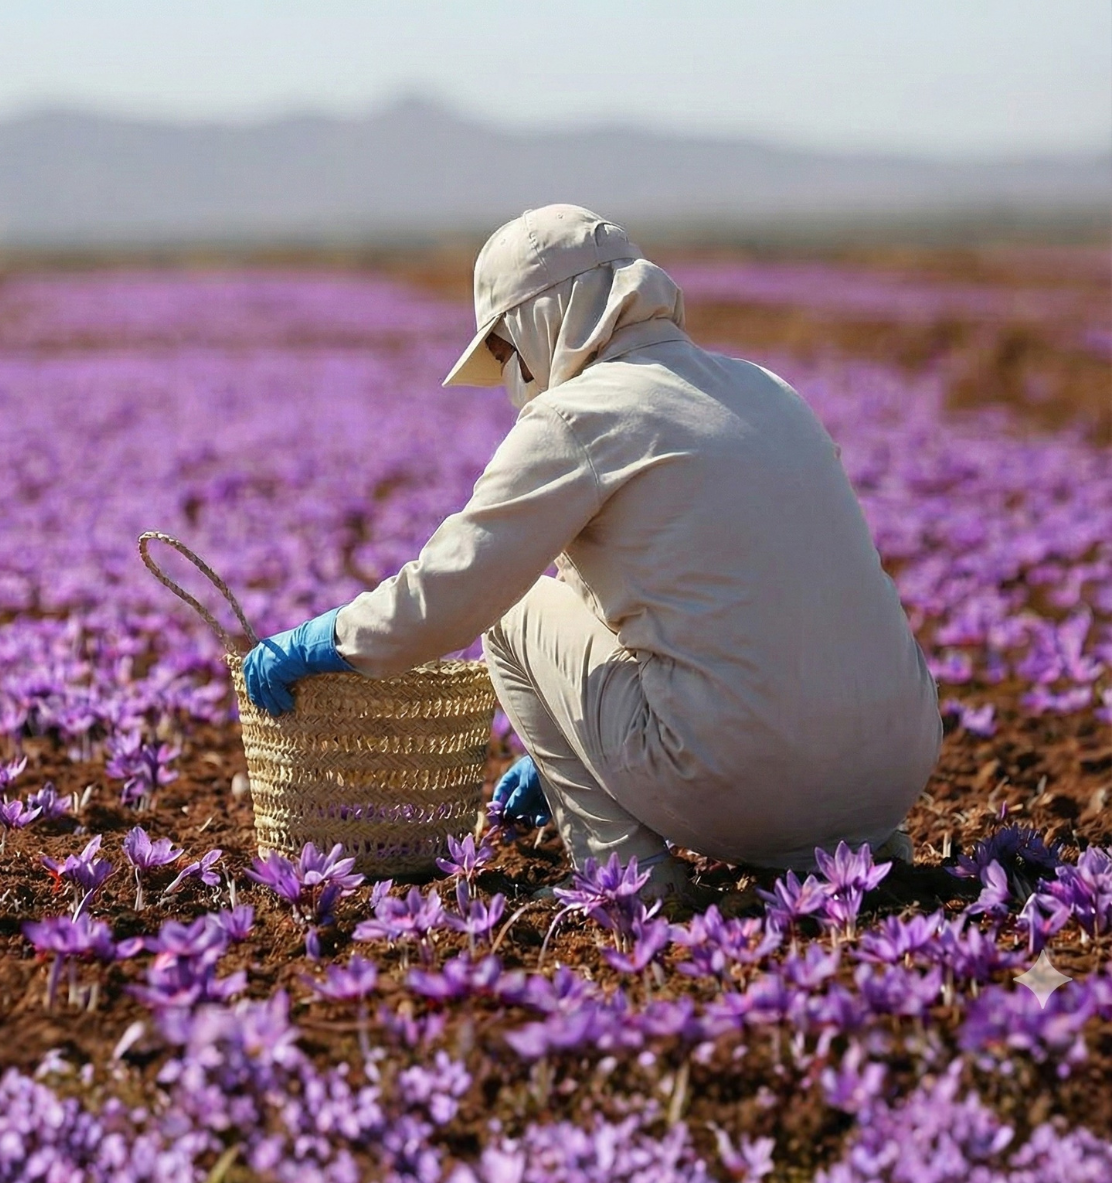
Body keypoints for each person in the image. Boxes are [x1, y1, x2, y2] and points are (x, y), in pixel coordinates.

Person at [242, 204, 942, 902]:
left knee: (511, 613)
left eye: (505, 352)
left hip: (745, 785)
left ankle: (632, 879)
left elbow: (453, 589)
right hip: (896, 770)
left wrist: (329, 638)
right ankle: (872, 851)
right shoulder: (766, 389)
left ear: (535, 323)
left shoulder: (577, 415)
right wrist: (559, 759)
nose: (512, 374)